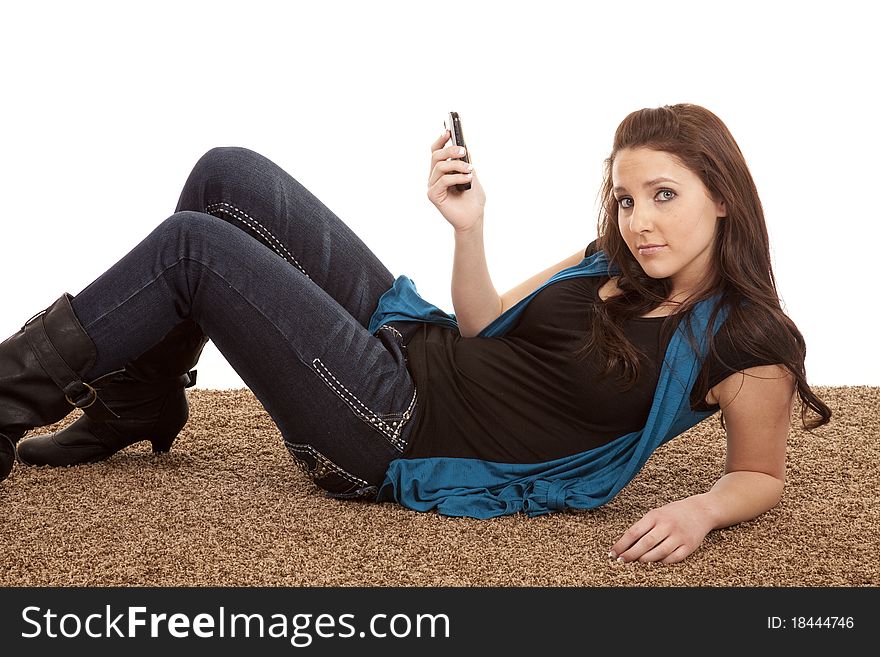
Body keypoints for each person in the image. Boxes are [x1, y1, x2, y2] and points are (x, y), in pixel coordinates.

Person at [0, 103, 831, 564]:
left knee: (195, 248)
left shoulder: (747, 338)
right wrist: (467, 228)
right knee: (227, 174)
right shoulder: (609, 258)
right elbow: (484, 324)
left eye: (663, 195)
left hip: (394, 427)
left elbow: (758, 472)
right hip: (414, 347)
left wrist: (702, 511)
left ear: (720, 196)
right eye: (625, 196)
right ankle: (142, 400)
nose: (639, 220)